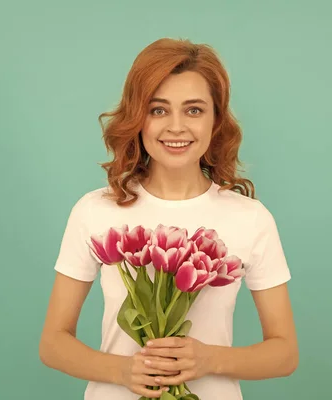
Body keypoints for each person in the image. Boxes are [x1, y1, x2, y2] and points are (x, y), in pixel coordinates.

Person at [39, 37, 298, 399]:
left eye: (194, 110)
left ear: (216, 120)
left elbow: (284, 353)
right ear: (137, 117)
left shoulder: (251, 219)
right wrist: (124, 371)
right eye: (158, 110)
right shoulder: (96, 210)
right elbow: (53, 342)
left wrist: (208, 360)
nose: (176, 127)